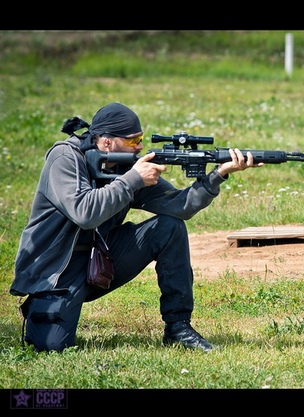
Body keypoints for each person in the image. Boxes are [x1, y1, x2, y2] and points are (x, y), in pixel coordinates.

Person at [10, 102, 262, 353]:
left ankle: (178, 328)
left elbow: (178, 206)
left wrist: (218, 174)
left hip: (98, 261)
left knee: (169, 227)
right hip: (54, 272)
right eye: (133, 141)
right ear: (106, 142)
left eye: (140, 139)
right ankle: (40, 306)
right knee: (52, 346)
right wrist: (132, 180)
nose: (140, 146)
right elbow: (84, 213)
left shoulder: (126, 166)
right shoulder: (65, 157)